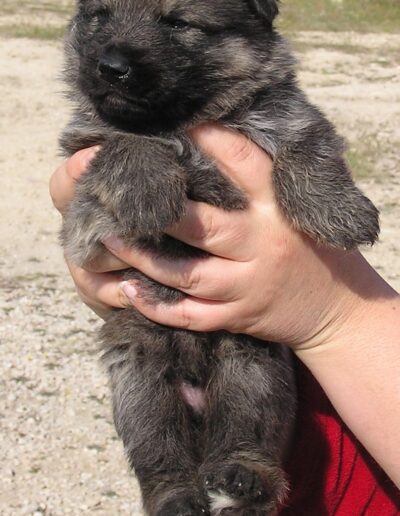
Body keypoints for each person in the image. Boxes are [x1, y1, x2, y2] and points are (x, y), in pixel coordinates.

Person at [50, 124, 400, 513]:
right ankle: (169, 488)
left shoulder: (259, 100)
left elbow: (301, 134)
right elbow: (84, 227)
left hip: (314, 424)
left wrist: (336, 310)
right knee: (140, 371)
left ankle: (244, 470)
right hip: (158, 337)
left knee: (248, 364)